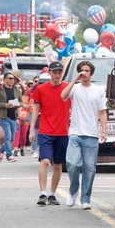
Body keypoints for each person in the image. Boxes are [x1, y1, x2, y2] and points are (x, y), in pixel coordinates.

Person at [61, 61, 108, 210]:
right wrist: (74, 79)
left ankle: (85, 199)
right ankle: (73, 191)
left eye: (87, 71)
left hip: (91, 134)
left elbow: (102, 112)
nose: (84, 73)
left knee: (90, 168)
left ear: (91, 73)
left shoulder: (98, 90)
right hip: (75, 132)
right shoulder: (75, 88)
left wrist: (104, 130)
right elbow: (63, 96)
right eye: (82, 70)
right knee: (72, 164)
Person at [29, 61, 71, 206]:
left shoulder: (67, 88)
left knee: (58, 164)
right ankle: (42, 193)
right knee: (45, 161)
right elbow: (35, 110)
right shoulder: (41, 89)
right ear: (50, 73)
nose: (57, 75)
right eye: (55, 72)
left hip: (62, 131)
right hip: (45, 130)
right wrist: (31, 130)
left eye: (60, 72)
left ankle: (52, 194)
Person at [0, 72, 24, 163]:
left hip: (13, 116)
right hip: (4, 116)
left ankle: (1, 150)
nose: (12, 80)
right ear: (5, 80)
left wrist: (16, 105)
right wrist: (5, 105)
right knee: (8, 136)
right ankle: (9, 155)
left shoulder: (16, 90)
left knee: (12, 138)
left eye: (13, 79)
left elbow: (21, 102)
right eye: (10, 78)